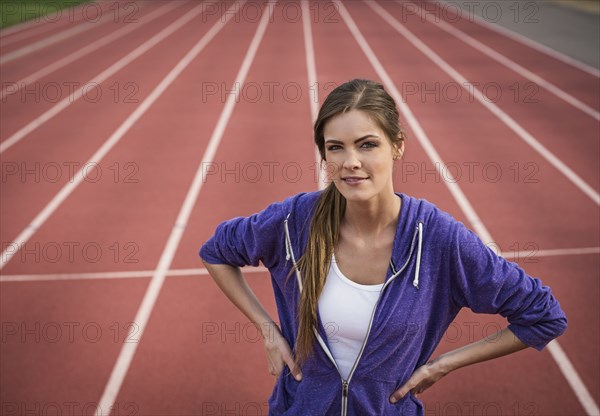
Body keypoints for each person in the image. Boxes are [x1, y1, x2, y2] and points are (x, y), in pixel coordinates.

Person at [199, 78, 568, 415]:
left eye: (367, 145)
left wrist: (442, 364)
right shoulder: (293, 221)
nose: (351, 163)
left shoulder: (439, 238)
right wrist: (267, 330)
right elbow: (217, 251)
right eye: (336, 148)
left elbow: (543, 316)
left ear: (397, 146)